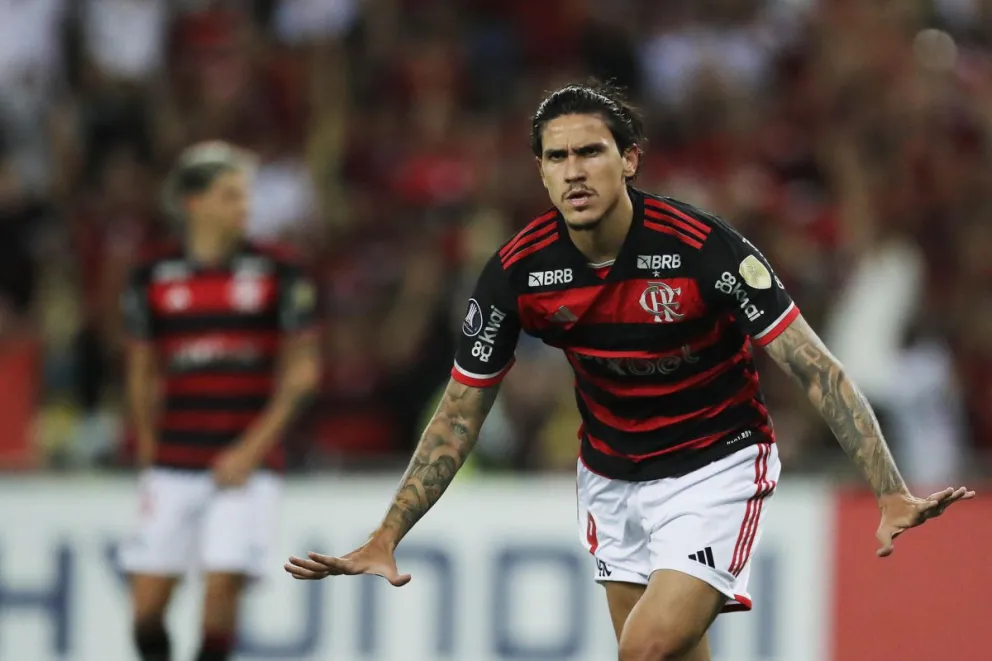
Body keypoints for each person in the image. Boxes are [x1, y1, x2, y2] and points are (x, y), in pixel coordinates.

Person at [284, 83, 973, 661]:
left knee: (642, 650)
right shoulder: (519, 272)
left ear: (630, 159)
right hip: (612, 480)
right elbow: (459, 413)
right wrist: (388, 532)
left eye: (591, 151)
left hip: (715, 466)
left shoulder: (703, 249)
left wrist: (890, 490)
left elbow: (816, 369)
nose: (574, 171)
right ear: (540, 172)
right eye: (557, 157)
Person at [120, 141, 320, 661]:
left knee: (220, 589)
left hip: (246, 465)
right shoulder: (151, 275)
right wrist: (148, 449)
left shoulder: (280, 270)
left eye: (245, 195)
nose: (244, 206)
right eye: (230, 195)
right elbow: (141, 372)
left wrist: (251, 450)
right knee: (146, 612)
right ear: (194, 202)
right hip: (174, 457)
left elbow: (303, 373)